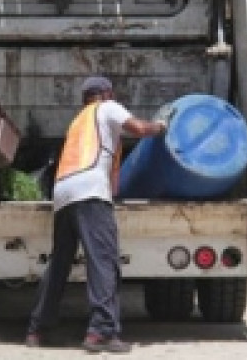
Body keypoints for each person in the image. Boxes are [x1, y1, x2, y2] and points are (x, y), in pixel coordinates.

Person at [25, 76, 168, 354]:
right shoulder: (107, 108)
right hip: (90, 191)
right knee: (104, 261)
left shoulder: (78, 121)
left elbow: (111, 177)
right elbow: (139, 129)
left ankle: (37, 328)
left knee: (60, 263)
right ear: (107, 93)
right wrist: (161, 126)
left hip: (63, 191)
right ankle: (101, 331)